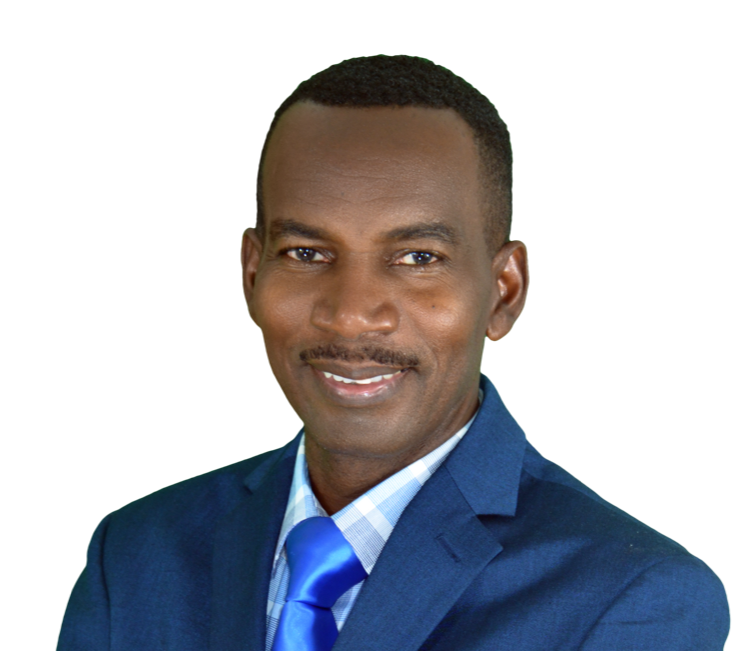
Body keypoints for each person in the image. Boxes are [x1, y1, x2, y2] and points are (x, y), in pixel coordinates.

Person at [56, 54, 731, 651]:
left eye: (417, 257)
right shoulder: (135, 555)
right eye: (306, 253)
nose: (352, 311)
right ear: (252, 274)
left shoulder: (632, 598)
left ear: (503, 292)